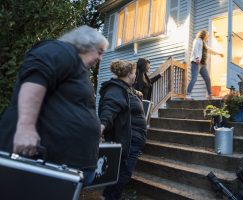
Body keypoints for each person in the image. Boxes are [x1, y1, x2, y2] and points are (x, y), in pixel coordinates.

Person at [0, 25, 109, 185]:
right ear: (85, 44)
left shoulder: (76, 69)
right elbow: (36, 77)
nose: (100, 58)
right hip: (43, 162)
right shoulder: (61, 50)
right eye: (99, 52)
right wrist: (25, 127)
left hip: (68, 167)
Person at [98, 60, 147, 200]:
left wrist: (136, 93)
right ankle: (111, 197)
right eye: (134, 73)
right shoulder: (116, 90)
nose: (135, 76)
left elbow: (126, 98)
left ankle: (107, 196)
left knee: (119, 172)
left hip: (133, 141)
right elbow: (109, 108)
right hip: (128, 141)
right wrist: (101, 127)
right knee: (123, 175)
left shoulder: (124, 88)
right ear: (129, 74)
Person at [186, 30, 224, 100]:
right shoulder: (197, 40)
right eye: (207, 35)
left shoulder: (204, 44)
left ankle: (209, 95)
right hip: (196, 63)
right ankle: (188, 95)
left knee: (208, 79)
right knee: (194, 79)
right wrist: (197, 57)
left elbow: (210, 50)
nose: (208, 37)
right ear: (204, 35)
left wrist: (219, 53)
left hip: (203, 64)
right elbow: (195, 49)